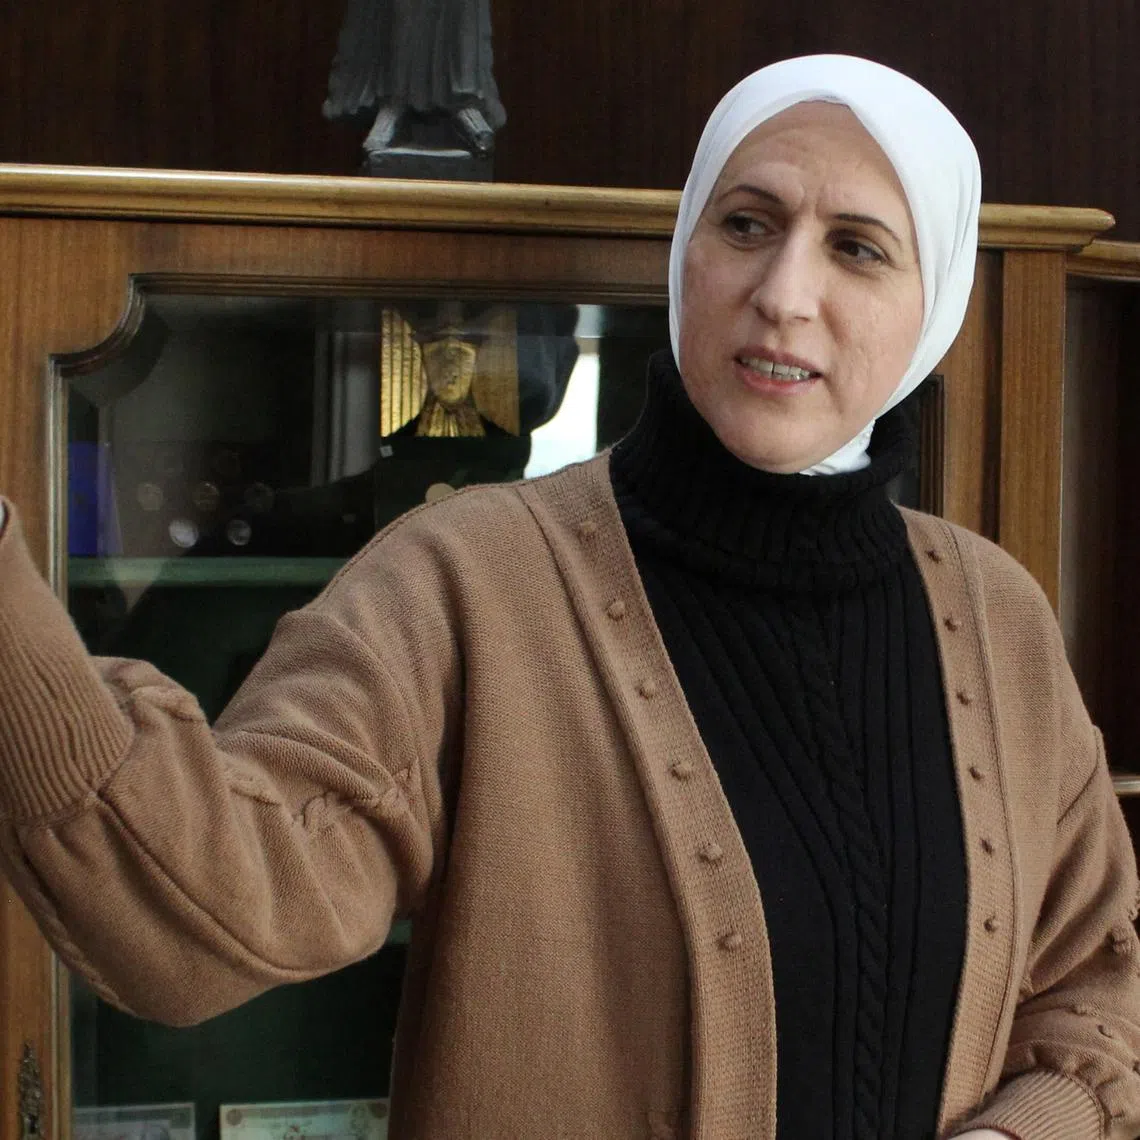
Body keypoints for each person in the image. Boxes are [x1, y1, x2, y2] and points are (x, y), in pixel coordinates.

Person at [0, 54, 1138, 1140]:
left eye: (858, 248)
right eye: (747, 223)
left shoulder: (999, 622)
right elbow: (187, 922)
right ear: (689, 245)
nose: (786, 293)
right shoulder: (466, 585)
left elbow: (1098, 985)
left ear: (932, 309)